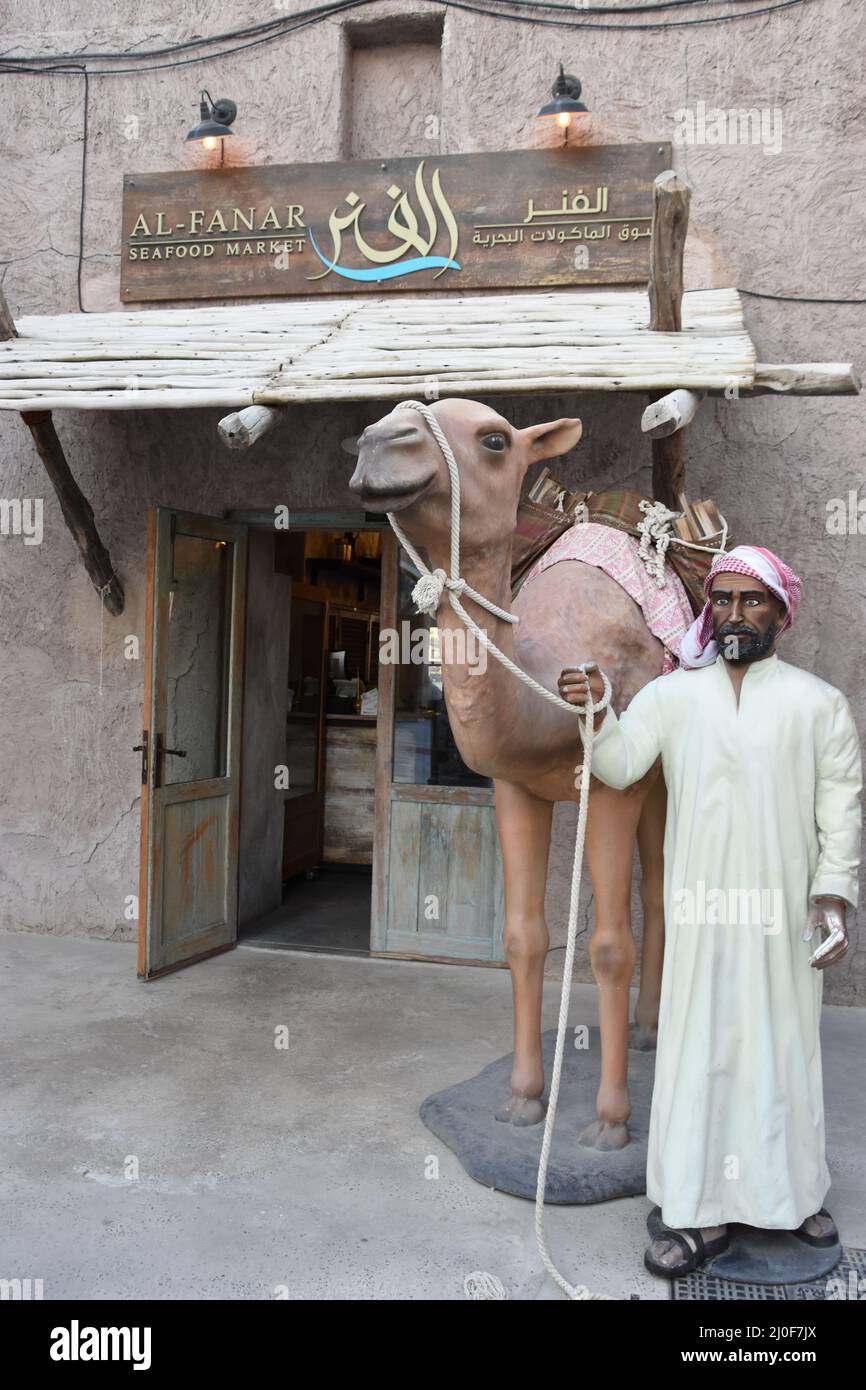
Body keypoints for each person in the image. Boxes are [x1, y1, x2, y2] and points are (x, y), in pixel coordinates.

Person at [558, 545, 862, 1277]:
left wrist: (832, 899)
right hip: (697, 916)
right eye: (722, 600)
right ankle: (696, 1210)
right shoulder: (673, 697)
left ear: (780, 612)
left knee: (782, 1051)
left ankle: (788, 1198)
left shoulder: (819, 704)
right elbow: (621, 764)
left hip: (782, 921)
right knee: (701, 1055)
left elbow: (842, 810)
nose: (734, 614)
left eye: (751, 601)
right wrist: (594, 710)